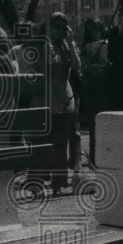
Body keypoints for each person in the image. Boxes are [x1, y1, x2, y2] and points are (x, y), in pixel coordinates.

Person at [41, 12, 83, 193]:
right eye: (56, 27)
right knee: (51, 143)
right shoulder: (45, 46)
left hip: (67, 99)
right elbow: (44, 68)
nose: (59, 31)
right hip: (49, 99)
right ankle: (54, 178)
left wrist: (72, 43)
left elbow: (77, 65)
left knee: (63, 142)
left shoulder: (68, 46)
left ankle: (59, 181)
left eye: (62, 27)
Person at [79, 19, 109, 164]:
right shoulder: (86, 46)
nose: (94, 31)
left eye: (97, 28)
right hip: (90, 87)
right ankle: (93, 156)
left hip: (104, 86)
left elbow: (108, 64)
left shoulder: (107, 44)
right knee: (93, 124)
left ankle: (104, 156)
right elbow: (82, 67)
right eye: (91, 29)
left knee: (105, 122)